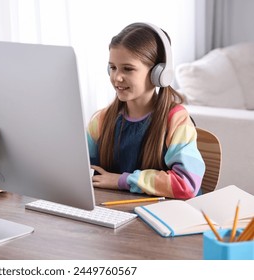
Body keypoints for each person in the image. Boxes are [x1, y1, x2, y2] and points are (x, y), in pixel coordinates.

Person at [87, 22, 205, 199]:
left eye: (128, 69)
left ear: (159, 73)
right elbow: (83, 170)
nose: (116, 77)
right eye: (112, 67)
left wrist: (123, 181)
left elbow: (186, 183)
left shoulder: (176, 119)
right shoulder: (101, 120)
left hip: (166, 217)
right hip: (118, 213)